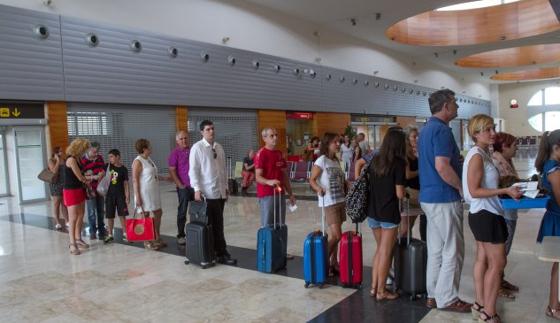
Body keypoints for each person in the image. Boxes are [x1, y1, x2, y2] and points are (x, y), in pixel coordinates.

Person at [463, 115, 521, 323]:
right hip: (486, 214)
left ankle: (480, 304)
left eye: (493, 128)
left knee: (484, 259)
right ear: (476, 133)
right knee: (498, 263)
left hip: (483, 213)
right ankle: (488, 311)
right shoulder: (477, 156)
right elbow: (474, 190)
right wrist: (505, 189)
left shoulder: (481, 153)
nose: (493, 133)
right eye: (487, 129)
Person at [418, 89, 471, 312]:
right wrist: (461, 187)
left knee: (437, 249)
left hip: (429, 198)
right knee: (453, 249)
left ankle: (434, 294)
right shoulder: (441, 131)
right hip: (443, 197)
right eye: (455, 103)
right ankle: (447, 297)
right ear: (446, 106)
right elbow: (442, 166)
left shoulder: (426, 129)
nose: (458, 107)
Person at [189, 120, 237, 265]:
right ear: (202, 132)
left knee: (218, 224)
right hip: (207, 193)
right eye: (208, 129)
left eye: (213, 129)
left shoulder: (219, 147)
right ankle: (215, 252)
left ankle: (218, 252)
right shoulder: (197, 148)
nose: (211, 131)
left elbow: (222, 170)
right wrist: (196, 189)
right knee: (210, 225)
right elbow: (194, 171)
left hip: (219, 192)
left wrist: (226, 187)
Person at [366, 129, 406, 301]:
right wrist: (406, 192)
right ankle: (381, 291)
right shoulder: (398, 163)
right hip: (388, 213)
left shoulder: (375, 160)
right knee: (385, 251)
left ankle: (374, 287)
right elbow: (399, 193)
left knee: (380, 250)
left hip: (372, 211)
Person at [255, 128, 296, 260]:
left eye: (276, 135)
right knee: (267, 224)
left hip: (280, 194)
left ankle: (280, 251)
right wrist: (269, 181)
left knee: (280, 224)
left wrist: (290, 193)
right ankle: (265, 253)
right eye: (271, 136)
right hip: (267, 195)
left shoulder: (279, 154)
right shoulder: (261, 154)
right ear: (264, 138)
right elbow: (258, 177)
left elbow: (284, 176)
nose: (275, 138)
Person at [309, 133, 347, 276]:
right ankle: (321, 262)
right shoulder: (321, 160)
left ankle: (333, 263)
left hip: (340, 200)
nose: (338, 144)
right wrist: (318, 188)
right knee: (337, 235)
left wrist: (347, 183)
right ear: (327, 144)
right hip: (329, 201)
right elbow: (312, 179)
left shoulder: (336, 161)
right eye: (335, 142)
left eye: (339, 142)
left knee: (336, 233)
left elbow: (340, 180)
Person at [492, 132, 521, 298]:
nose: (516, 148)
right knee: (501, 251)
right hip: (503, 212)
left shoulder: (506, 161)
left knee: (505, 249)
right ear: (504, 146)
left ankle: (500, 280)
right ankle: (496, 286)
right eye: (514, 145)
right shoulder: (497, 163)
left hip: (510, 212)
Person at [535, 130, 560, 320]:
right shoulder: (554, 169)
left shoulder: (552, 165)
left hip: (555, 216)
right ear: (556, 148)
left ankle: (554, 304)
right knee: (558, 266)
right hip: (557, 218)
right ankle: (553, 306)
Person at [132, 139, 170, 251]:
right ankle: (147, 240)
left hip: (153, 192)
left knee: (158, 212)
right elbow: (135, 179)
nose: (151, 148)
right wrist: (137, 196)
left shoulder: (148, 159)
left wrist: (164, 178)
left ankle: (156, 236)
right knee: (146, 215)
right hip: (144, 192)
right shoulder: (138, 161)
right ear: (144, 148)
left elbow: (152, 174)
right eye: (149, 146)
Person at [63, 139, 91, 255]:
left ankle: (78, 238)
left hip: (79, 189)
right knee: (73, 217)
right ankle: (72, 243)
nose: (85, 151)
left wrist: (88, 176)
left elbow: (82, 175)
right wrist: (92, 178)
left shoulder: (78, 159)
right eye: (84, 149)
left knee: (80, 214)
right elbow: (80, 177)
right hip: (70, 191)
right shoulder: (71, 160)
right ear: (79, 148)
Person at [400, 126, 426, 241]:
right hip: (409, 194)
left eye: (417, 136)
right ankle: (400, 254)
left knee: (412, 225)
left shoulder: (417, 152)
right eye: (414, 136)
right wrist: (422, 170)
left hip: (419, 193)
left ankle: (410, 254)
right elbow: (407, 175)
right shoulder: (404, 155)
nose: (416, 139)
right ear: (407, 138)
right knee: (405, 229)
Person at [168, 130, 193, 246]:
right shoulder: (174, 153)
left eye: (185, 138)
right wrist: (180, 185)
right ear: (177, 141)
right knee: (182, 211)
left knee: (197, 211)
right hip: (183, 187)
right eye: (181, 139)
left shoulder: (193, 150)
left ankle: (195, 232)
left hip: (195, 186)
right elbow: (172, 170)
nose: (184, 140)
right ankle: (181, 235)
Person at [80, 142, 106, 240]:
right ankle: (92, 231)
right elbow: (81, 176)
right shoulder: (83, 160)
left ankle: (101, 230)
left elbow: (104, 169)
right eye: (94, 152)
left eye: (97, 152)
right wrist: (94, 177)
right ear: (88, 150)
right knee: (91, 212)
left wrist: (102, 174)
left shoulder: (99, 158)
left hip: (100, 188)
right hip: (89, 189)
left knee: (101, 211)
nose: (96, 154)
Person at [104, 149, 129, 244]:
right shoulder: (108, 167)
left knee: (122, 215)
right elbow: (101, 176)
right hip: (109, 196)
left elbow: (126, 183)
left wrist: (127, 196)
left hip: (120, 196)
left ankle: (125, 233)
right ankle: (110, 234)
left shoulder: (123, 169)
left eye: (111, 156)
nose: (110, 159)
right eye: (109, 157)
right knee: (110, 216)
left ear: (117, 156)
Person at [48, 146, 68, 230]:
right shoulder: (51, 160)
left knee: (64, 204)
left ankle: (67, 220)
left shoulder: (64, 159)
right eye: (59, 151)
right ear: (55, 153)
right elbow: (54, 171)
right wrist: (57, 161)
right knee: (56, 204)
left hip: (64, 184)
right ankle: (57, 221)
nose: (61, 153)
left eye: (61, 151)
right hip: (55, 184)